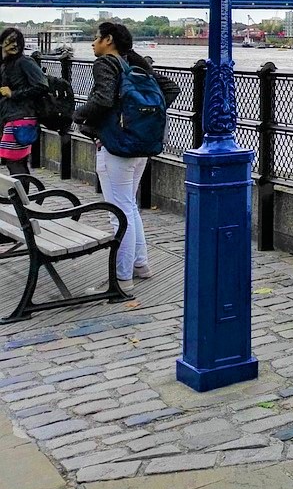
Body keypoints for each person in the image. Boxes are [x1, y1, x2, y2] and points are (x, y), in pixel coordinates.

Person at [73, 21, 179, 292]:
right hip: (140, 146)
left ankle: (121, 278)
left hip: (116, 148)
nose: (92, 43)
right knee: (129, 207)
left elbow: (103, 100)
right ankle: (141, 265)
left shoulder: (106, 63)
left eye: (96, 38)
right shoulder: (135, 62)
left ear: (108, 40)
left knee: (118, 212)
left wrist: (78, 115)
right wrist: (138, 118)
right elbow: (170, 89)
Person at [0, 27, 49, 177]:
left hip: (21, 118)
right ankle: (21, 197)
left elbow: (42, 86)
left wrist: (13, 94)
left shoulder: (25, 62)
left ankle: (21, 198)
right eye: (10, 41)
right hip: (10, 117)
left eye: (17, 42)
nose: (14, 45)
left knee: (14, 161)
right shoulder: (6, 65)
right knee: (14, 161)